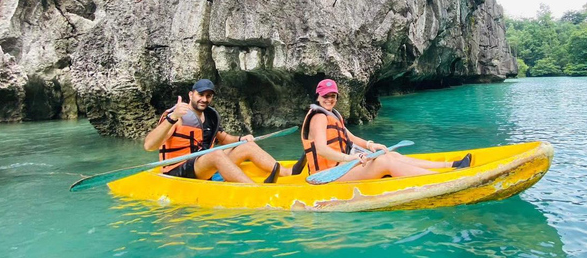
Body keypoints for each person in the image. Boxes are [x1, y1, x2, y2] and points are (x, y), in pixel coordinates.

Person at [300, 79, 472, 181]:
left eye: (333, 96)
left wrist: (370, 145)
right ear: (318, 96)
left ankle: (452, 165)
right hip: (325, 176)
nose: (329, 100)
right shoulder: (318, 117)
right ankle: (440, 180)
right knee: (385, 163)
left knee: (391, 155)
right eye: (326, 96)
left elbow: (349, 137)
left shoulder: (333, 115)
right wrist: (351, 158)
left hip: (343, 166)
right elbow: (322, 150)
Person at [144, 79, 291, 184]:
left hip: (202, 166)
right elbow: (149, 145)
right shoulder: (178, 116)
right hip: (177, 170)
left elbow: (225, 139)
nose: (204, 99)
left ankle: (287, 173)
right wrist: (172, 118)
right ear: (190, 95)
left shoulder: (210, 116)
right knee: (215, 154)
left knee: (247, 145)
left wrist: (241, 139)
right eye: (200, 95)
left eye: (208, 96)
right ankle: (253, 188)